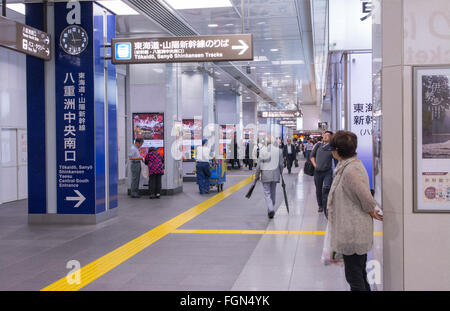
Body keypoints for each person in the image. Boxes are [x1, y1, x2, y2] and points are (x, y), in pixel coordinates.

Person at [327, 130, 383, 291]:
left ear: (337, 151)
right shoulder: (349, 166)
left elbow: (366, 197)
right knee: (358, 274)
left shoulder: (351, 170)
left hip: (353, 232)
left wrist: (371, 209)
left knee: (354, 277)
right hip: (353, 231)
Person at [255, 136, 284, 219]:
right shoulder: (279, 151)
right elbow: (281, 164)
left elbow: (258, 166)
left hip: (265, 175)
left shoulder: (262, 151)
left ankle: (271, 209)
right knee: (273, 192)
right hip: (275, 175)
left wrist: (256, 176)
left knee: (267, 193)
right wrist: (281, 172)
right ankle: (270, 209)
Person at [310, 131, 337, 216]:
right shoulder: (318, 145)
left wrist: (337, 171)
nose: (325, 136)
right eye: (324, 135)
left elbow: (336, 160)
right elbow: (311, 156)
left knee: (326, 188)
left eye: (327, 136)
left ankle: (326, 205)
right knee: (318, 189)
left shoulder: (332, 148)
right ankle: (320, 205)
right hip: (317, 172)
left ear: (331, 138)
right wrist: (315, 165)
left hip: (327, 172)